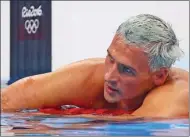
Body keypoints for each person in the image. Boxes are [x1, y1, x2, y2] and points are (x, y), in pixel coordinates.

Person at [1, 14, 189, 118]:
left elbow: (137, 127)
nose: (109, 76)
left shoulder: (177, 96)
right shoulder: (88, 77)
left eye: (126, 70)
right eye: (110, 59)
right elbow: (7, 101)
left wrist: (67, 120)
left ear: (159, 76)